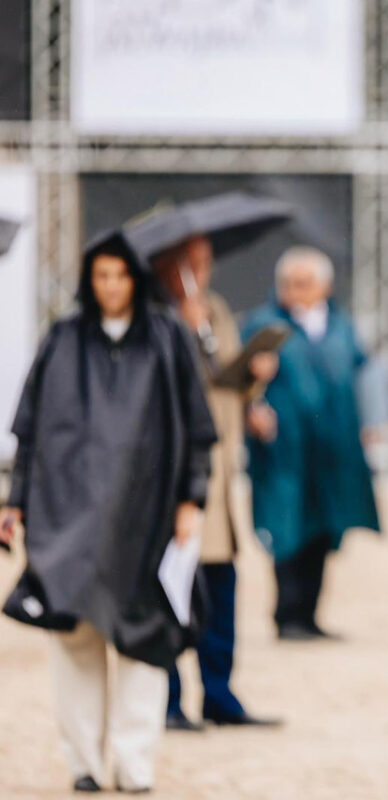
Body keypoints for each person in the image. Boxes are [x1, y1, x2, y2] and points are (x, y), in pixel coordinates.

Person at [0, 229, 215, 793]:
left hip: (147, 513)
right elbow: (29, 430)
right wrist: (15, 502)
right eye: (101, 275)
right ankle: (85, 765)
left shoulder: (167, 337)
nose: (111, 286)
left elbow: (198, 429)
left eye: (120, 275)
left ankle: (134, 762)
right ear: (88, 280)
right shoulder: (63, 338)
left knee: (145, 642)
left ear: (135, 279)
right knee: (74, 639)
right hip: (66, 512)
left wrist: (192, 499)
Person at [149, 234, 282, 730]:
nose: (200, 272)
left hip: (222, 472)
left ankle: (219, 694)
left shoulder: (218, 310)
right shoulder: (155, 316)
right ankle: (167, 698)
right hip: (176, 473)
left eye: (205, 262)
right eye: (190, 263)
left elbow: (222, 380)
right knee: (173, 586)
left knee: (221, 587)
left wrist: (254, 376)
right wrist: (181, 333)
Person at [242, 246, 380, 641]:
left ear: (324, 286)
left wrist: (370, 422)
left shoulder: (342, 327)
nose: (295, 291)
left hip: (332, 451)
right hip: (284, 450)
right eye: (288, 283)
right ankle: (287, 616)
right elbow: (237, 382)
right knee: (287, 528)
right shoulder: (262, 326)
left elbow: (365, 374)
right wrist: (253, 396)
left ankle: (309, 616)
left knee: (323, 529)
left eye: (304, 283)